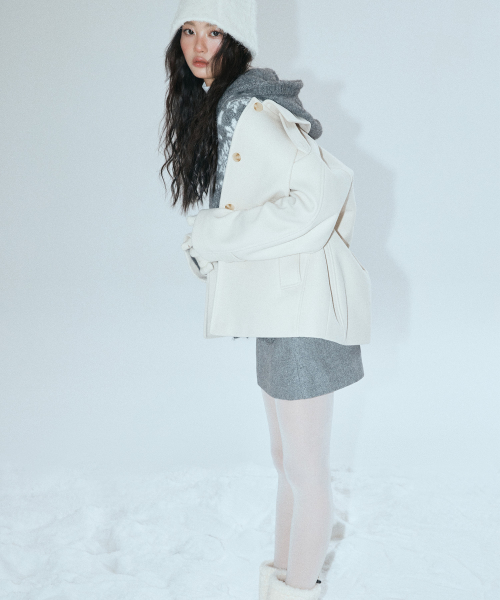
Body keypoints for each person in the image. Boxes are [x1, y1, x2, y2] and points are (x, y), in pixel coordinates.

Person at [159, 1, 371, 598]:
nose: (199, 45)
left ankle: (297, 589)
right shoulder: (225, 106)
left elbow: (322, 192)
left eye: (214, 31)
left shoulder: (246, 110)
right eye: (188, 31)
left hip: (303, 310)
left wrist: (215, 234)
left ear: (237, 40)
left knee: (306, 471)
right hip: (280, 309)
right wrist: (212, 244)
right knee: (288, 463)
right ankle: (282, 579)